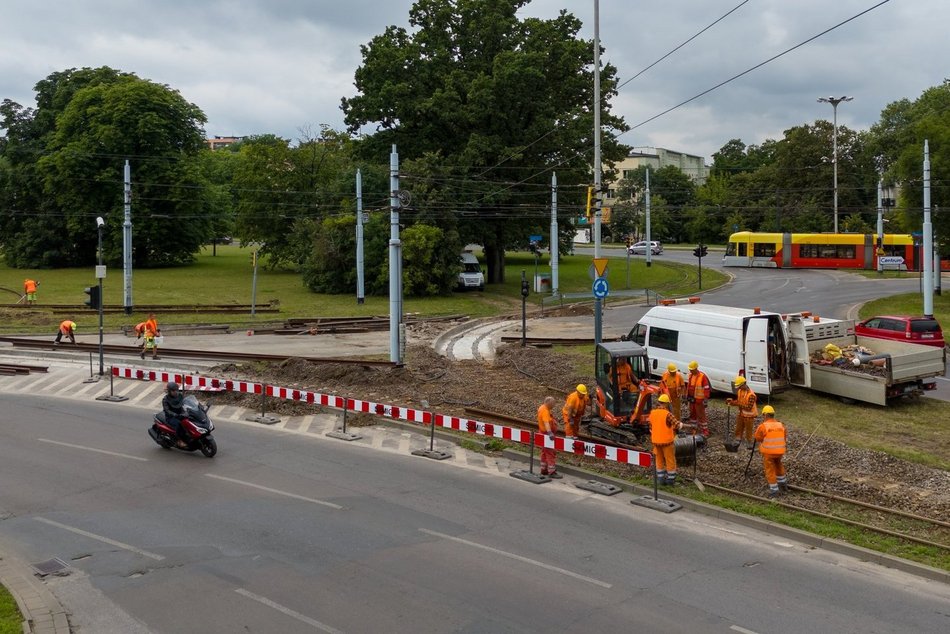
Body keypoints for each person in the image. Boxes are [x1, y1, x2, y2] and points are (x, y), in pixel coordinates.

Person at [753, 405, 788, 498]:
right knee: (778, 465)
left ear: (766, 415)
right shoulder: (781, 425)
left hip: (768, 453)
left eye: (763, 415)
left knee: (770, 470)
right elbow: (784, 437)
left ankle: (774, 490)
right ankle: (782, 483)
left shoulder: (763, 426)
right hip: (780, 451)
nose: (763, 417)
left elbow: (757, 438)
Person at [649, 393, 681, 485]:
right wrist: (681, 425)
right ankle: (670, 480)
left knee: (659, 460)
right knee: (670, 460)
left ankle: (660, 479)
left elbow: (651, 427)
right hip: (667, 443)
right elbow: (677, 425)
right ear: (666, 404)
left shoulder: (652, 413)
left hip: (656, 442)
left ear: (659, 402)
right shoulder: (668, 414)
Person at [726, 376, 758, 449]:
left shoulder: (751, 395)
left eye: (739, 386)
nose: (738, 388)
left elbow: (748, 407)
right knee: (738, 428)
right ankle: (738, 440)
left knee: (748, 430)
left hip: (749, 416)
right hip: (741, 413)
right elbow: (739, 401)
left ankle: (749, 443)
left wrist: (736, 404)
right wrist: (732, 402)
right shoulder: (740, 391)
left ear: (744, 384)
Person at [537, 396, 561, 478]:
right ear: (548, 403)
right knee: (550, 452)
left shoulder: (542, 408)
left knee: (544, 452)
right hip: (546, 434)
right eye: (553, 404)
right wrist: (550, 432)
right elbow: (546, 422)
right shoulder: (545, 411)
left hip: (542, 433)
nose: (554, 405)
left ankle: (544, 470)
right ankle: (552, 471)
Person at [686, 360, 711, 437]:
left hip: (699, 400)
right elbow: (688, 387)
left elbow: (706, 388)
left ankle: (705, 431)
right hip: (692, 399)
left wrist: (705, 399)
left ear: (696, 368)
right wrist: (686, 396)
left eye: (691, 369)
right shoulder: (690, 375)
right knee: (692, 415)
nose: (690, 370)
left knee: (701, 415)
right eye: (690, 369)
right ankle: (693, 429)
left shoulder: (702, 376)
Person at [162, 381, 189, 448]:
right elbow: (167, 410)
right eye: (173, 391)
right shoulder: (165, 399)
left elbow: (186, 402)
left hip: (181, 414)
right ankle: (179, 440)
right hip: (171, 417)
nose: (175, 392)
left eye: (176, 390)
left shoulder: (180, 396)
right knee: (179, 424)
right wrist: (174, 414)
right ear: (169, 391)